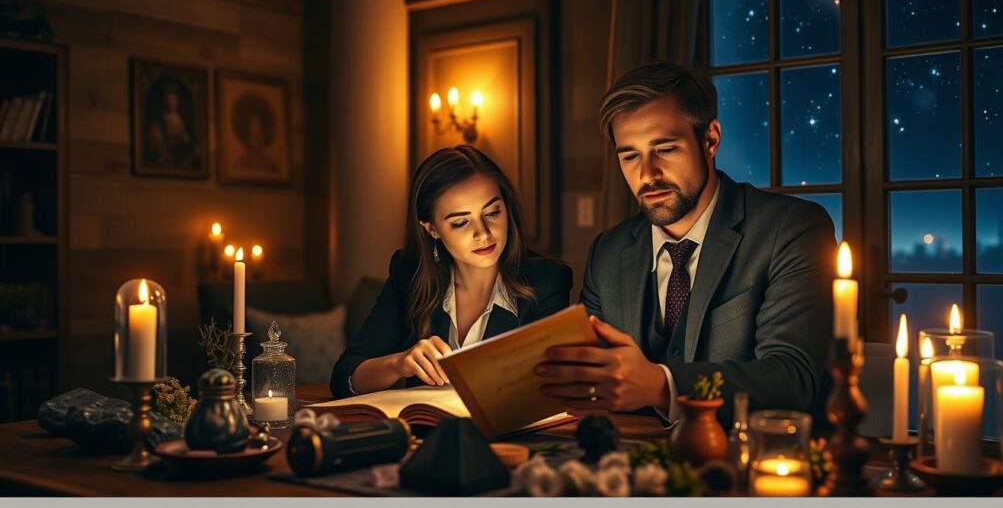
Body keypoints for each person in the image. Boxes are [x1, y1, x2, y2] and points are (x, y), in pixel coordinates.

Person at [536, 61, 836, 427]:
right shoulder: (608, 251)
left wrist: (662, 386)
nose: (647, 174)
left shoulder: (791, 229)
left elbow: (792, 378)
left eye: (665, 149)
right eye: (630, 156)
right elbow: (587, 371)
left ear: (710, 139)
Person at [331, 145, 572, 398]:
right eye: (461, 222)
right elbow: (344, 377)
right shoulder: (409, 273)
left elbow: (553, 389)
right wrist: (399, 363)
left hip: (508, 437)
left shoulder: (547, 280)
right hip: (427, 434)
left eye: (492, 213)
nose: (483, 233)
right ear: (431, 228)